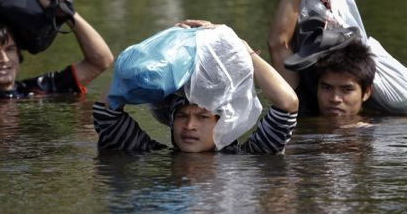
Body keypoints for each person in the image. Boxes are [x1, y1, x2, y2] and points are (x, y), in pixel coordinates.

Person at [93, 20, 299, 154]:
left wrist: (241, 49)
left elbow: (287, 104)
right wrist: (167, 43)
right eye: (182, 116)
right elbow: (107, 109)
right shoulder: (149, 154)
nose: (189, 126)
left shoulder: (251, 155)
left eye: (202, 117)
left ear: (224, 121)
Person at [268, 0, 378, 118]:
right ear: (316, 87)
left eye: (347, 89)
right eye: (326, 88)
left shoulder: (377, 130)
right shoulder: (304, 108)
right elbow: (278, 43)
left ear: (366, 93)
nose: (335, 99)